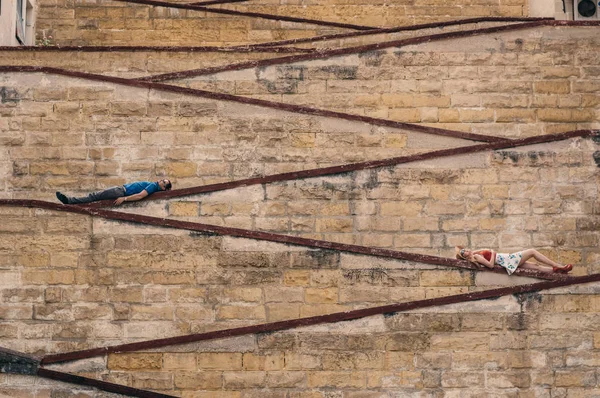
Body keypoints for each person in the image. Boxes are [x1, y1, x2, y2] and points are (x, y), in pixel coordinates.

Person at [455, 246, 572, 274]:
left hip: (507, 261)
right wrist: (493, 253)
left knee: (536, 267)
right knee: (532, 252)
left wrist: (473, 251)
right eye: (463, 253)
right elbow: (490, 265)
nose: (466, 251)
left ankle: (558, 271)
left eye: (464, 249)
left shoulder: (475, 254)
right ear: (465, 257)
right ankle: (557, 266)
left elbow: (485, 249)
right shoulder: (476, 257)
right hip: (507, 260)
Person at [56, 179, 172, 206]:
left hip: (121, 191)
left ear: (164, 188)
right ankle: (70, 201)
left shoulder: (153, 186)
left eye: (163, 182)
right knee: (95, 198)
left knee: (94, 196)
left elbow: (140, 195)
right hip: (121, 191)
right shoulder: (154, 187)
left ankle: (69, 201)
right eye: (162, 180)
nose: (160, 180)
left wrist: (124, 199)